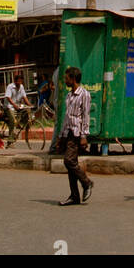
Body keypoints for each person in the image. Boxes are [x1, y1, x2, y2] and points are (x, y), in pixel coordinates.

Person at [58, 66, 93, 205]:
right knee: (71, 164)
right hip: (68, 132)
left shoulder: (84, 94)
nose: (65, 80)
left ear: (73, 79)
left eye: (67, 78)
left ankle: (86, 182)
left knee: (69, 161)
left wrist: (84, 135)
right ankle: (74, 196)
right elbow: (66, 117)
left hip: (77, 133)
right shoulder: (69, 95)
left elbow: (86, 116)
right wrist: (61, 136)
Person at [5, 74, 32, 148]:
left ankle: (20, 125)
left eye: (21, 81)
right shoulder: (10, 87)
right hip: (9, 107)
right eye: (18, 81)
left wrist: (30, 104)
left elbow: (24, 97)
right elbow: (8, 98)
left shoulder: (21, 87)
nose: (19, 83)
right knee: (13, 121)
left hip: (18, 106)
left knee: (26, 112)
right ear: (15, 81)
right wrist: (14, 105)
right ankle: (9, 142)